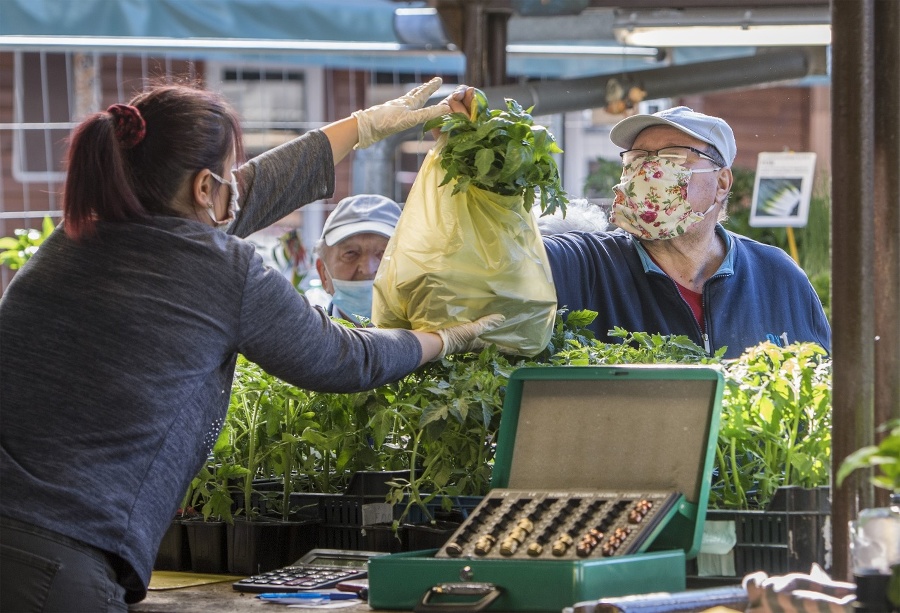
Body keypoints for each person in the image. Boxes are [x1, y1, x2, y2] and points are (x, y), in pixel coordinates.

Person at [0, 77, 502, 611]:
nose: (238, 188)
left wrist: (364, 126)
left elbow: (251, 190)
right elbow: (342, 357)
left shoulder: (76, 239)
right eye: (226, 178)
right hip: (57, 562)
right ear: (201, 188)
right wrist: (444, 338)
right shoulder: (217, 270)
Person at [539, 105, 831, 358]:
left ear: (721, 183)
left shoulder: (777, 277)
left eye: (674, 157)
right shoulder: (585, 264)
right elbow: (514, 259)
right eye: (637, 158)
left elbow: (820, 389)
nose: (649, 171)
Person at [314, 193, 402, 325]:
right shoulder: (302, 343)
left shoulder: (439, 340)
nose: (367, 269)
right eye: (351, 253)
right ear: (323, 275)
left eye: (385, 254)